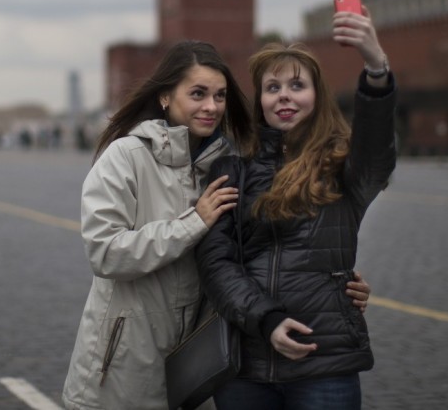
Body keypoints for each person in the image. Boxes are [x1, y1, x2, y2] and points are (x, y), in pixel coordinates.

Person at [61, 41, 373, 410]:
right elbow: (106, 252)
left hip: (205, 359)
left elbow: (248, 255)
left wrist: (331, 284)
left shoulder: (226, 163)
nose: (211, 106)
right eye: (198, 94)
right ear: (165, 96)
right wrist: (193, 222)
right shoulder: (126, 157)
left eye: (220, 95)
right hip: (129, 355)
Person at [196, 6, 396, 410]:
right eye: (272, 87)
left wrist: (377, 69)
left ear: (317, 97)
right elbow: (217, 261)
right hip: (244, 366)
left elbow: (376, 153)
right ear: (261, 102)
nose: (284, 95)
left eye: (297, 85)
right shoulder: (232, 169)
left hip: (323, 363)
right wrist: (266, 321)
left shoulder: (344, 168)